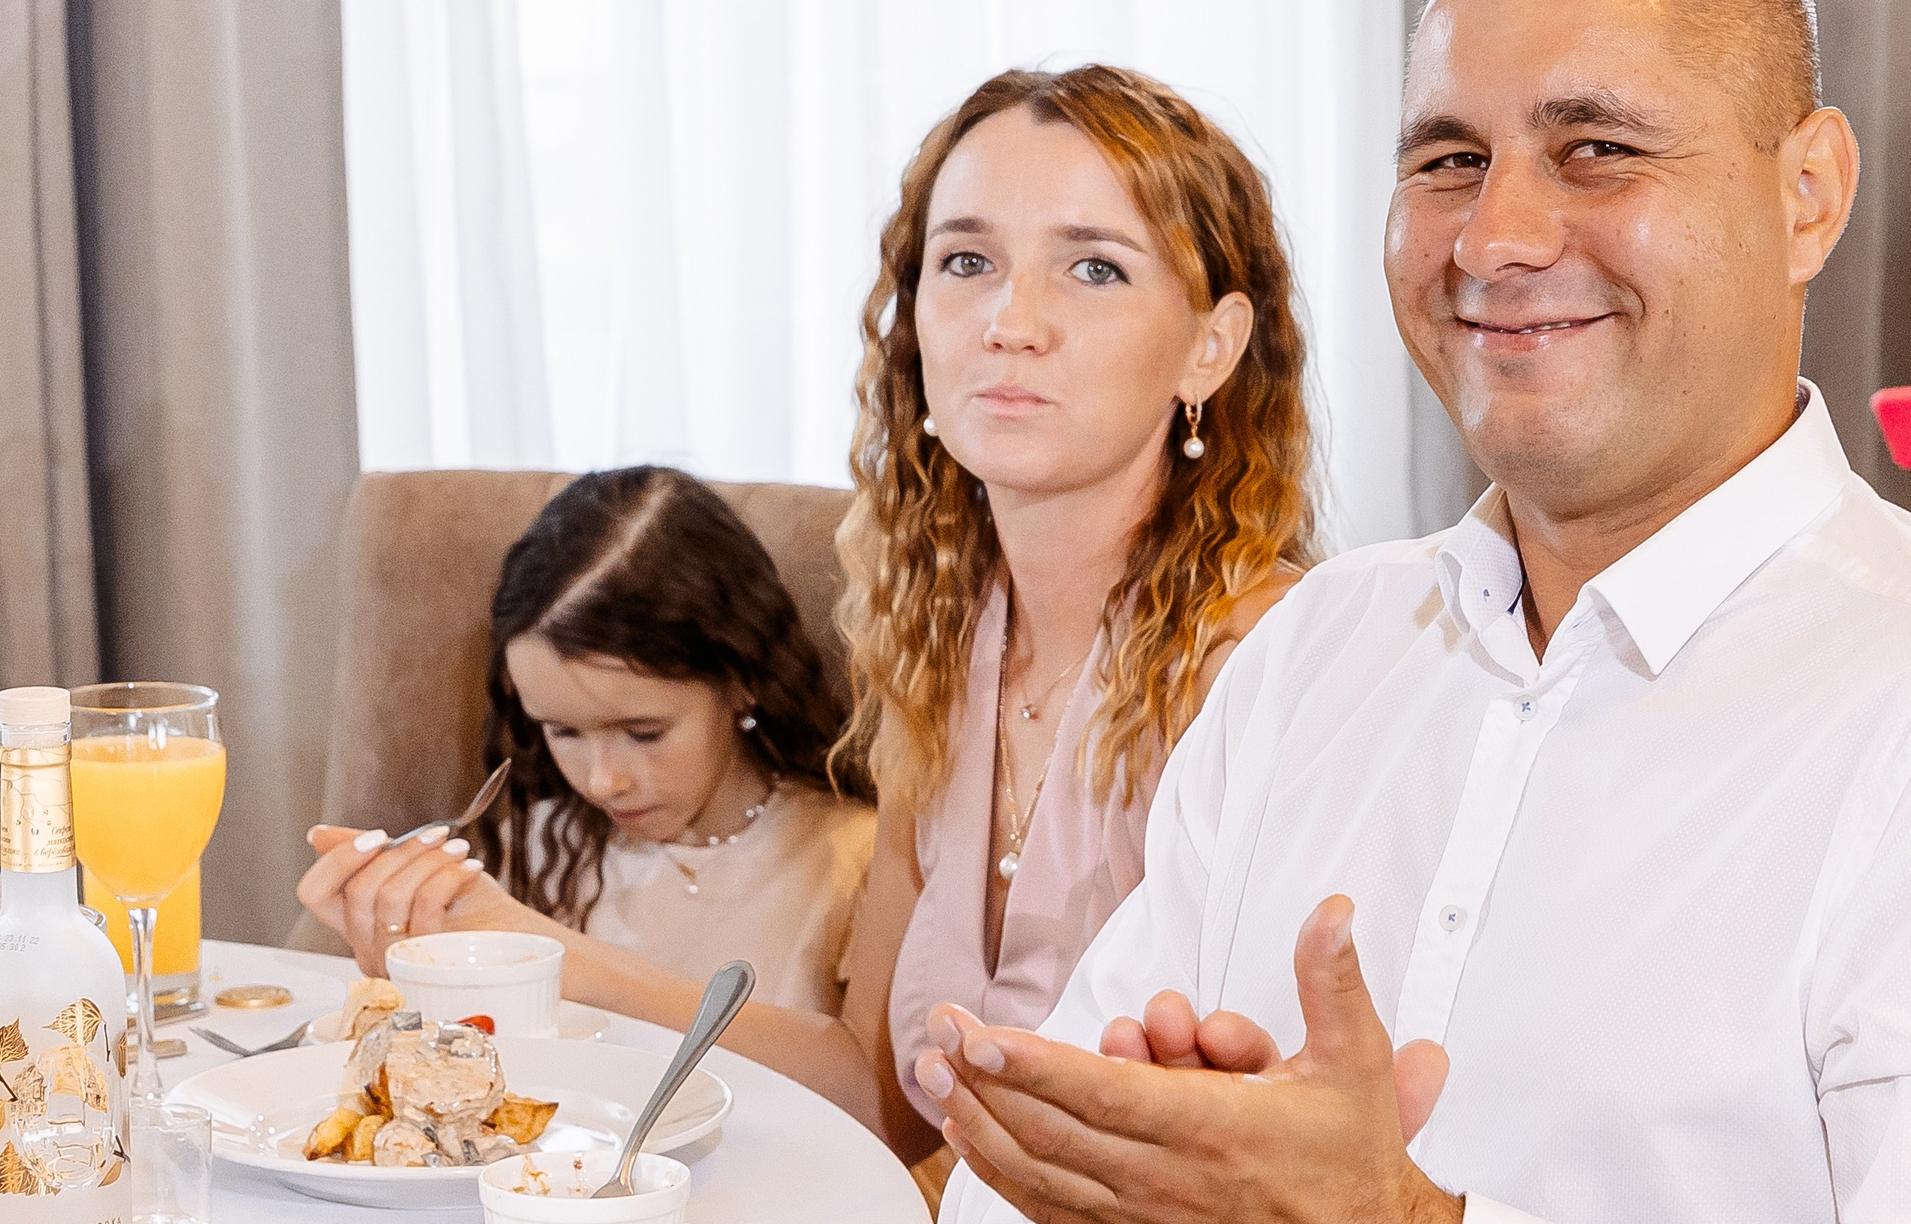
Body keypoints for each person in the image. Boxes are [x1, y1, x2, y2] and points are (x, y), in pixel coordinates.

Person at [922, 0, 1911, 1224]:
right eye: (1448, 161)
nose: (1496, 238)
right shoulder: (1316, 650)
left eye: (1595, 148)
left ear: (1808, 194)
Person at [299, 63, 1315, 1167]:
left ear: (1210, 345)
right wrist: (521, 942)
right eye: (967, 261)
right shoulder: (943, 646)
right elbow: (871, 1093)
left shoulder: (1270, 664)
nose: (1010, 321)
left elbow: (1258, 1158)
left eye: (1093, 268)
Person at [298, 465, 875, 1013]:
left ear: (742, 681)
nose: (603, 781)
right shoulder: (535, 850)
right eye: (562, 731)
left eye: (644, 732)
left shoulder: (854, 863)